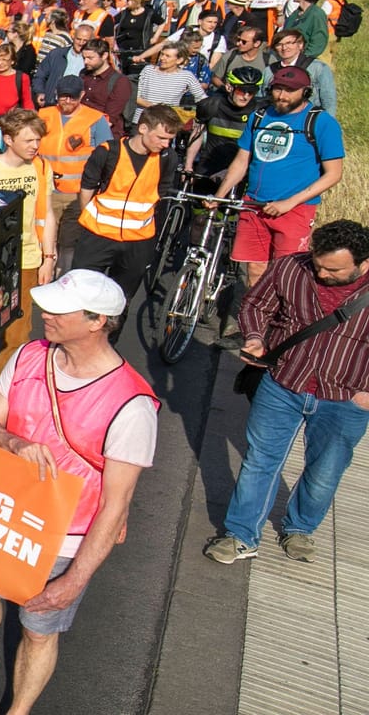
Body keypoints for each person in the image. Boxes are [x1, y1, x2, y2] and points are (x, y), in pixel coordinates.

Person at [0, 271, 155, 714]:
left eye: (58, 310)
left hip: (65, 537)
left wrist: (75, 579)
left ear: (96, 322)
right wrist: (13, 442)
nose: (45, 315)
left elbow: (115, 505)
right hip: (2, 514)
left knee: (39, 628)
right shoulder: (29, 356)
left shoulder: (132, 405)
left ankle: (19, 710)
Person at [206, 221, 369, 566]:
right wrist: (254, 337)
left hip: (345, 399)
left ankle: (299, 528)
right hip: (283, 383)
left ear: (362, 264)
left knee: (325, 470)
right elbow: (256, 305)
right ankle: (240, 535)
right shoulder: (290, 268)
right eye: (318, 264)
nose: (322, 274)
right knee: (260, 461)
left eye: (334, 269)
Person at [214, 64, 346, 288]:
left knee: (287, 272)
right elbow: (241, 161)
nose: (282, 95)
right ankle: (257, 319)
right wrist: (219, 195)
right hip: (254, 205)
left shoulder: (321, 122)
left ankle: (284, 319)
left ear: (305, 91)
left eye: (289, 90)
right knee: (255, 268)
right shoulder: (259, 117)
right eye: (278, 89)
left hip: (295, 209)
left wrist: (289, 202)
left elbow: (334, 174)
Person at [0, 109, 57, 403]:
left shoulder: (41, 168)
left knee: (19, 327)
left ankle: (2, 383)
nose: (35, 146)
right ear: (8, 139)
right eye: (29, 140)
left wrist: (49, 257)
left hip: (27, 258)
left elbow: (48, 214)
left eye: (38, 140)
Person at [66, 105, 182, 315]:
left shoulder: (167, 158)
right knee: (80, 294)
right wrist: (86, 218)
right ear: (144, 128)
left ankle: (109, 344)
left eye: (169, 140)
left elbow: (160, 194)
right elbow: (87, 187)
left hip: (138, 241)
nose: (166, 144)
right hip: (97, 236)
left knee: (120, 302)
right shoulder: (108, 152)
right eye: (161, 138)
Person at [37, 76, 113, 263]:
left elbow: (107, 156)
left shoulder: (94, 119)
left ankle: (65, 279)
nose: (68, 101)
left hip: (77, 194)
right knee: (45, 238)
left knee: (69, 242)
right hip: (46, 191)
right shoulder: (43, 115)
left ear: (82, 95)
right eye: (63, 97)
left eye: (73, 97)